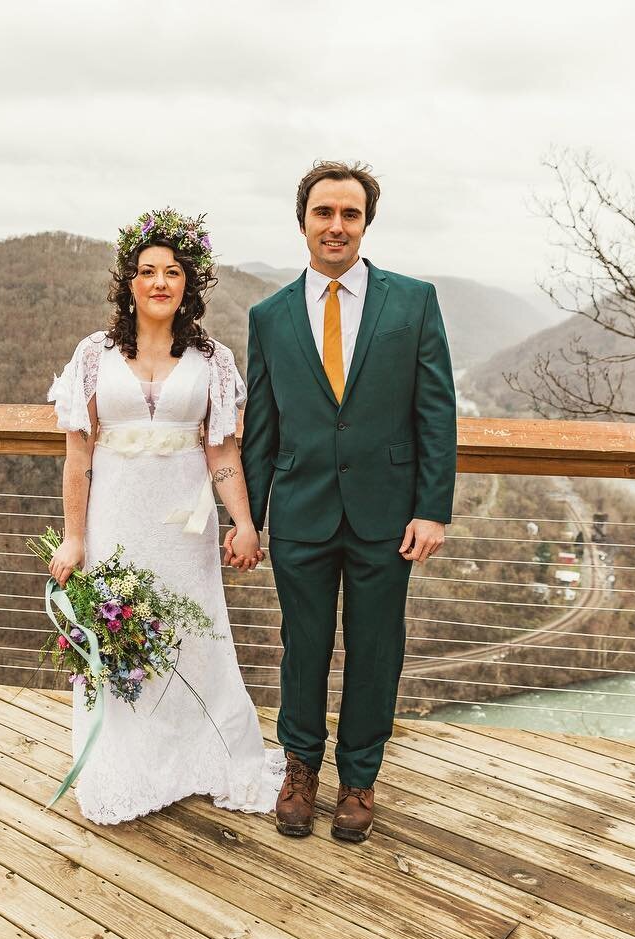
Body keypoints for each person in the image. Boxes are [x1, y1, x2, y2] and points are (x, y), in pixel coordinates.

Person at [241, 161, 457, 842]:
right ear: (303, 219)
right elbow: (263, 426)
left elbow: (436, 412)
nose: (336, 226)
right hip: (301, 511)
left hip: (386, 514)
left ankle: (359, 776)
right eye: (324, 213)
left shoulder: (412, 302)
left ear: (366, 222)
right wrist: (249, 517)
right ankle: (300, 769)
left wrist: (433, 507)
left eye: (350, 214)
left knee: (375, 648)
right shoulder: (269, 316)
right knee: (301, 647)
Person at [45, 208, 283, 825]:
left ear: (189, 284)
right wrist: (74, 539)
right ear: (129, 282)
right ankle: (126, 766)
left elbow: (223, 452)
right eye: (147, 271)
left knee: (194, 634)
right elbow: (77, 458)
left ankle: (200, 758)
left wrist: (245, 523)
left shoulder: (214, 360)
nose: (159, 282)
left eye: (172, 272)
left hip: (187, 524)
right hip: (115, 522)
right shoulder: (93, 357)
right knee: (121, 640)